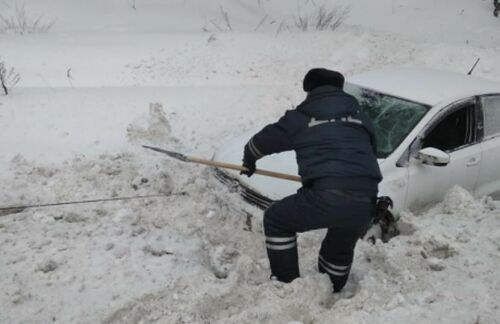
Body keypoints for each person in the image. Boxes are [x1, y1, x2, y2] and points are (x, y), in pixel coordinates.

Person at [240, 68, 382, 292]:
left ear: (310, 90)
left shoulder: (302, 118)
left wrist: (249, 160)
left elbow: (263, 141)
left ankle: (288, 286)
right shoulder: (360, 117)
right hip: (366, 200)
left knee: (277, 219)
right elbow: (371, 151)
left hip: (326, 195)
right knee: (340, 243)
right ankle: (333, 289)